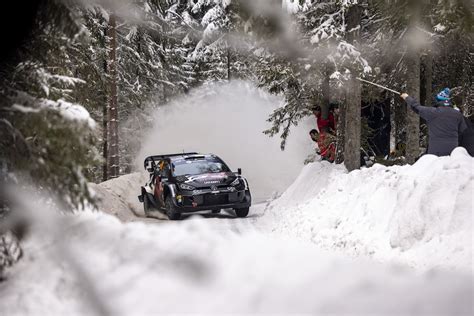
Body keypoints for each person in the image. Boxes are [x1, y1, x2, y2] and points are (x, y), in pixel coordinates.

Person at [401, 88, 467, 156]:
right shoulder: (457, 114)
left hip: (435, 151)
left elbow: (417, 107)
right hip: (453, 151)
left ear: (439, 101)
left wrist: (407, 97)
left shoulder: (432, 112)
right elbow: (462, 131)